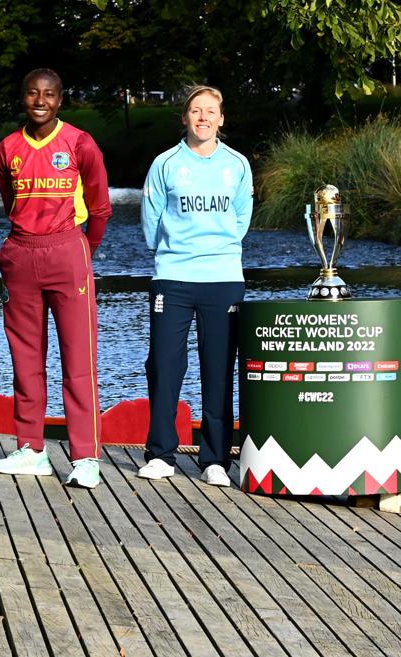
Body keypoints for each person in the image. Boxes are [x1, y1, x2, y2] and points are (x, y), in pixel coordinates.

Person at [0, 69, 110, 488]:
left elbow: (100, 209)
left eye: (49, 95)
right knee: (26, 358)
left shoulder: (79, 143)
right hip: (22, 254)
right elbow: (9, 200)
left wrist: (79, 251)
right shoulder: (7, 147)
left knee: (78, 360)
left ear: (61, 99)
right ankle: (31, 449)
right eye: (32, 93)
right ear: (23, 97)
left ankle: (85, 456)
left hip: (68, 251)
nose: (40, 100)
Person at [136, 85, 252, 485]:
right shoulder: (165, 163)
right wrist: (172, 252)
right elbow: (150, 221)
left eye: (211, 111)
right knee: (166, 366)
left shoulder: (237, 164)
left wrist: (218, 251)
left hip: (222, 279)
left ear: (221, 119)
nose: (203, 117)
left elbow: (240, 220)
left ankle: (215, 458)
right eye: (195, 111)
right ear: (184, 118)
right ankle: (162, 454)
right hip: (173, 277)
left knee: (218, 369)